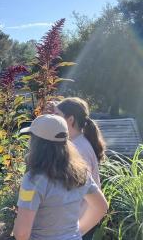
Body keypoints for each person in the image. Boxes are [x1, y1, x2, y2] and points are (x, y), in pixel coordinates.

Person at [13, 114, 108, 240]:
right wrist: (76, 233)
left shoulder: (33, 180)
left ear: (37, 144)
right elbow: (101, 207)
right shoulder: (81, 172)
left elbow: (21, 233)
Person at [49, 97, 106, 239]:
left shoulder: (77, 149)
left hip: (81, 224)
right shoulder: (78, 142)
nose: (53, 119)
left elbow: (83, 193)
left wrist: (76, 232)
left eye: (57, 115)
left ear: (70, 120)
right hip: (81, 222)